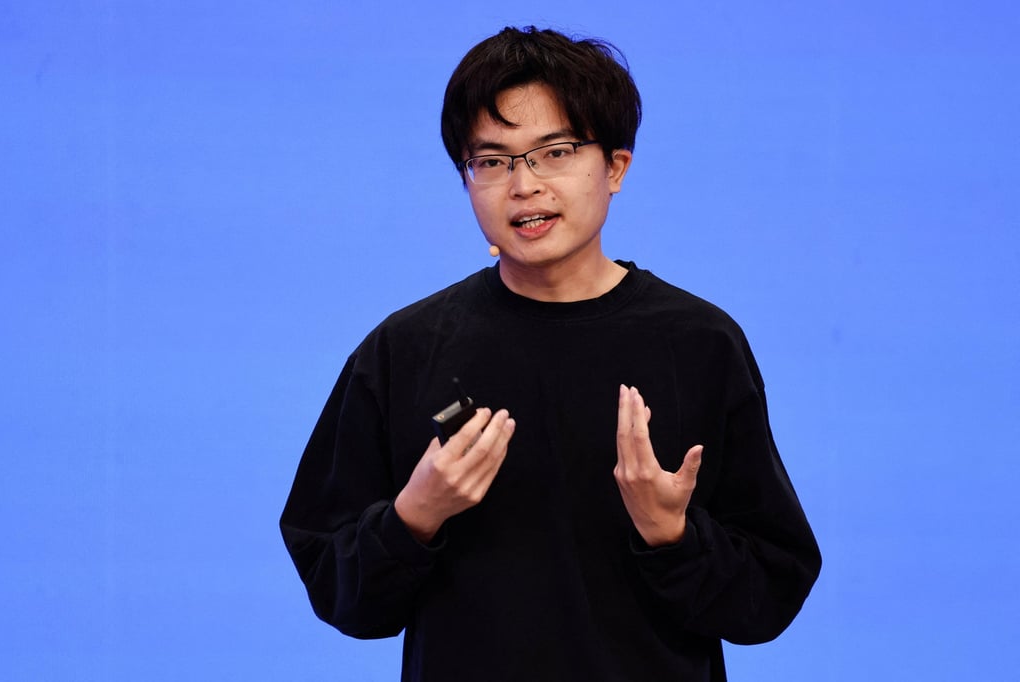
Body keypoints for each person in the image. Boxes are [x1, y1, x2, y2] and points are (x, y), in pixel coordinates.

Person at [280, 25, 821, 682]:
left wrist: (671, 534)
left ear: (615, 167)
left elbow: (769, 596)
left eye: (554, 152)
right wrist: (415, 515)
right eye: (492, 161)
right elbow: (339, 591)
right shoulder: (405, 349)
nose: (524, 185)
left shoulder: (700, 343)